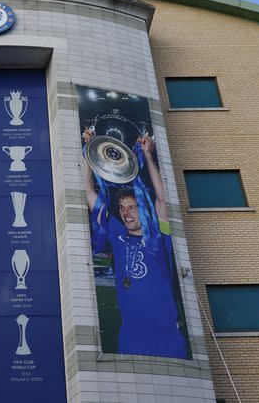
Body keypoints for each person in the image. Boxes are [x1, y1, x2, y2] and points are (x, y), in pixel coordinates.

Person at [81, 128, 187, 358]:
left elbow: (160, 197)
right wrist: (88, 151)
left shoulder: (160, 235)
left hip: (166, 336)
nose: (126, 213)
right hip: (131, 335)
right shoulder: (117, 234)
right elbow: (89, 190)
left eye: (132, 207)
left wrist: (148, 155)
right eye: (122, 208)